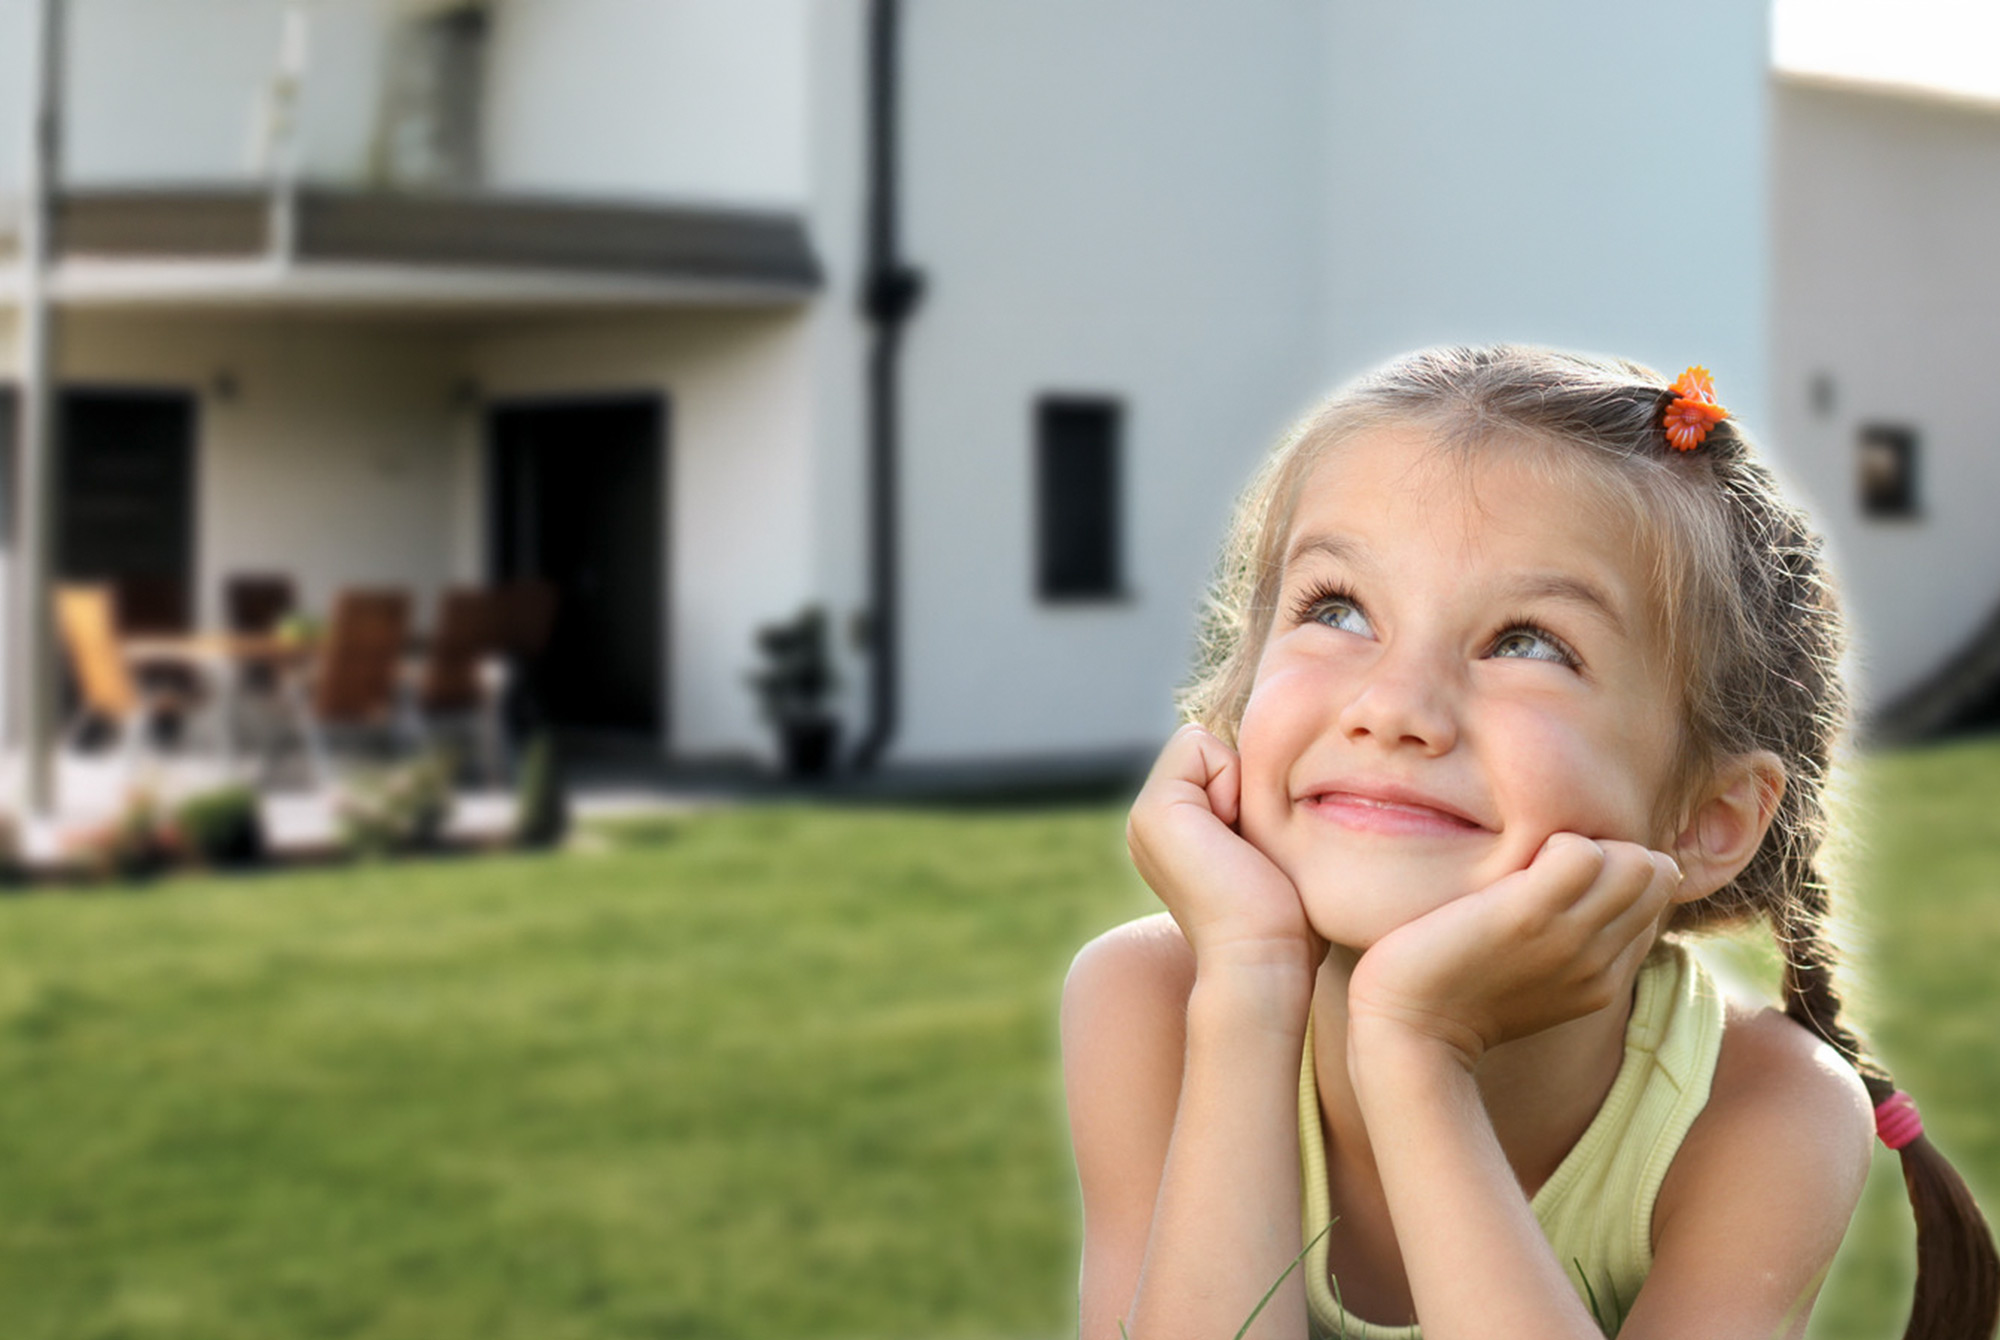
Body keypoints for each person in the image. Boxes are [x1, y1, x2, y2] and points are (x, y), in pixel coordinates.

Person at [1062, 346, 1999, 1340]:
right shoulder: (1152, 1003)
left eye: (1525, 641)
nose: (1392, 706)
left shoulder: (1756, 1111)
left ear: (1707, 818)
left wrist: (1416, 1052)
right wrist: (1247, 982)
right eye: (1335, 608)